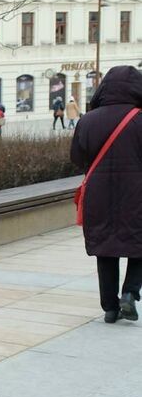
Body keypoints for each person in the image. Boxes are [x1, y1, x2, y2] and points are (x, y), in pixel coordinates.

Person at [70, 65, 142, 323]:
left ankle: (110, 308)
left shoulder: (87, 120)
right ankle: (130, 294)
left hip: (99, 194)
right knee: (138, 245)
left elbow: (77, 158)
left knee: (105, 248)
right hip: (136, 193)